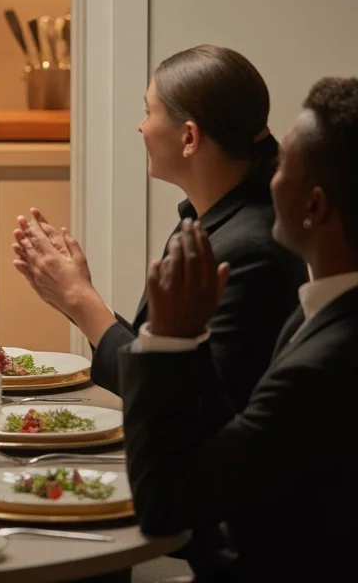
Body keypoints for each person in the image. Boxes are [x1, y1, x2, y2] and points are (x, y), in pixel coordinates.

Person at [122, 76, 358, 581]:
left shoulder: (325, 367)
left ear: (314, 206)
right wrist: (191, 337)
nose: (269, 179)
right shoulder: (313, 314)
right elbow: (236, 443)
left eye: (284, 168)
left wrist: (170, 342)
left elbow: (165, 505)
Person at [12, 45, 306, 409]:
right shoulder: (209, 222)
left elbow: (178, 400)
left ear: (189, 138)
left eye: (148, 111)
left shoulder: (250, 251)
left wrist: (80, 300)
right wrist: (72, 295)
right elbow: (163, 360)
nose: (141, 125)